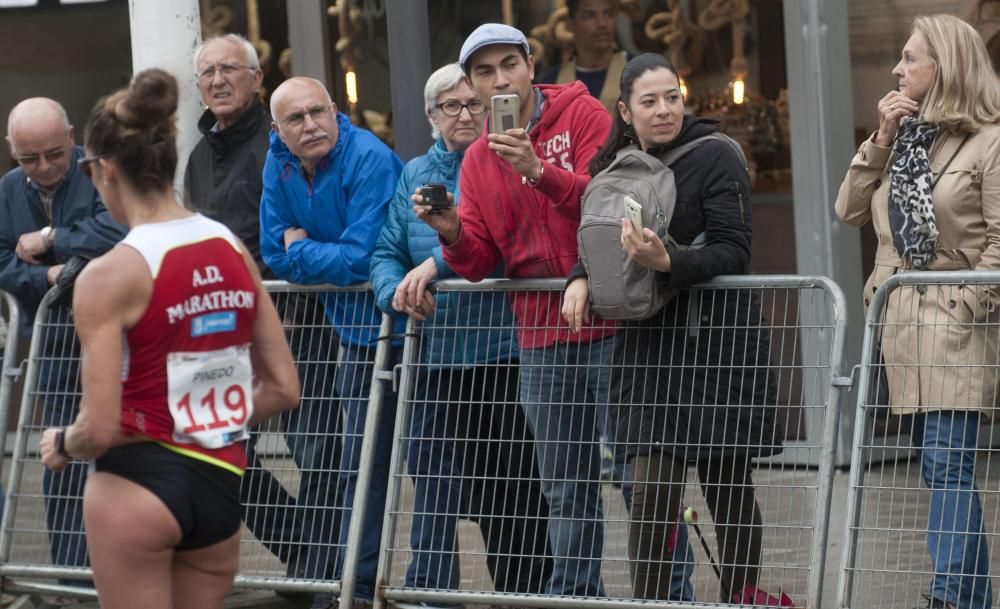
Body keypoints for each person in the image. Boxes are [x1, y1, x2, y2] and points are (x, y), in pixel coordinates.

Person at [37, 69, 300, 609]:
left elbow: (101, 426)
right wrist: (199, 418)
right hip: (219, 481)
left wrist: (61, 443)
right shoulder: (231, 249)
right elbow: (283, 391)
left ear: (104, 170)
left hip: (137, 486)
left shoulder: (108, 275)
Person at [563, 53, 782, 603]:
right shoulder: (611, 163)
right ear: (625, 109)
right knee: (652, 492)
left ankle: (742, 597)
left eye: (673, 97)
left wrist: (669, 262)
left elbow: (735, 251)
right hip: (647, 351)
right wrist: (579, 277)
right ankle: (651, 601)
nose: (664, 110)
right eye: (649, 101)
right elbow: (594, 238)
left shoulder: (716, 155)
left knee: (728, 490)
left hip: (715, 347)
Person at [370, 63, 552, 602]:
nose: (466, 114)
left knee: (512, 495)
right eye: (451, 106)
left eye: (474, 103)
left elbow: (500, 244)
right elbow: (386, 251)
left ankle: (525, 594)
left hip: (503, 353)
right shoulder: (414, 173)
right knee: (444, 491)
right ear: (431, 117)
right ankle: (440, 596)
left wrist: (436, 269)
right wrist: (395, 291)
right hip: (438, 359)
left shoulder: (504, 160)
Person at [835, 14, 1000, 609]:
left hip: (958, 323)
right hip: (902, 324)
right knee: (941, 467)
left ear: (945, 66)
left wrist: (964, 304)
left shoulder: (991, 139)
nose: (897, 69)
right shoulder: (905, 135)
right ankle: (971, 598)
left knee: (946, 461)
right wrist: (879, 140)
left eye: (910, 58)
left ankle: (949, 596)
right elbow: (849, 209)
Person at [184, 33, 342, 591]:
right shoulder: (200, 156)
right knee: (213, 448)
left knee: (317, 446)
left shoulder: (281, 146)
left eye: (231, 68)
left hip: (293, 318)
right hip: (219, 324)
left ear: (257, 80)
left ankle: (324, 572)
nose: (219, 80)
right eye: (207, 72)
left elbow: (285, 232)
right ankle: (306, 548)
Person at [260, 76, 404, 609]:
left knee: (437, 476)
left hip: (402, 333)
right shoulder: (278, 161)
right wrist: (311, 254)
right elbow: (273, 249)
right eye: (295, 119)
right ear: (278, 128)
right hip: (351, 334)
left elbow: (363, 257)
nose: (310, 125)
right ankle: (355, 590)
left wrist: (305, 252)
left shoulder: (368, 157)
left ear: (335, 109)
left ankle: (431, 591)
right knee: (357, 470)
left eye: (317, 112)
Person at [0, 96, 126, 576]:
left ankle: (122, 567)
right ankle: (72, 572)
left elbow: (117, 230)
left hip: (116, 335)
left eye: (55, 152)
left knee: (120, 448)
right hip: (52, 337)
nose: (45, 166)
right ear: (12, 151)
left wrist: (52, 238)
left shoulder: (102, 172)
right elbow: (2, 262)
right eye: (29, 158)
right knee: (61, 454)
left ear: (72, 137)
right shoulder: (9, 190)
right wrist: (50, 279)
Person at [537, 0, 629, 113]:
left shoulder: (638, 70)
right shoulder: (551, 82)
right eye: (589, 16)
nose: (602, 23)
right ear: (570, 24)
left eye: (609, 14)